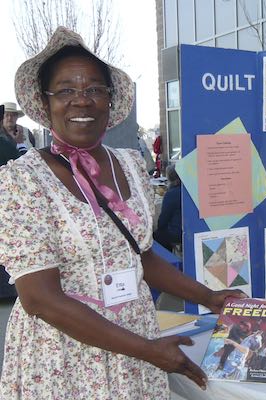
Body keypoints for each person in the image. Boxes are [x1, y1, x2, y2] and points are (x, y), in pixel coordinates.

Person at [0, 26, 245, 399]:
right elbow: (39, 298)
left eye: (95, 89)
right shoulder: (22, 182)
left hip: (135, 334)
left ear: (111, 100)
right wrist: (147, 350)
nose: (82, 101)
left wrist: (208, 296)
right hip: (64, 354)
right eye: (66, 90)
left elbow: (140, 256)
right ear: (45, 102)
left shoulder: (130, 165)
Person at [153, 163, 182, 252]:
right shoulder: (189, 190)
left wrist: (159, 228)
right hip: (189, 229)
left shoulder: (172, 194)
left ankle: (170, 261)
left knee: (157, 236)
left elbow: (163, 220)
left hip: (177, 233)